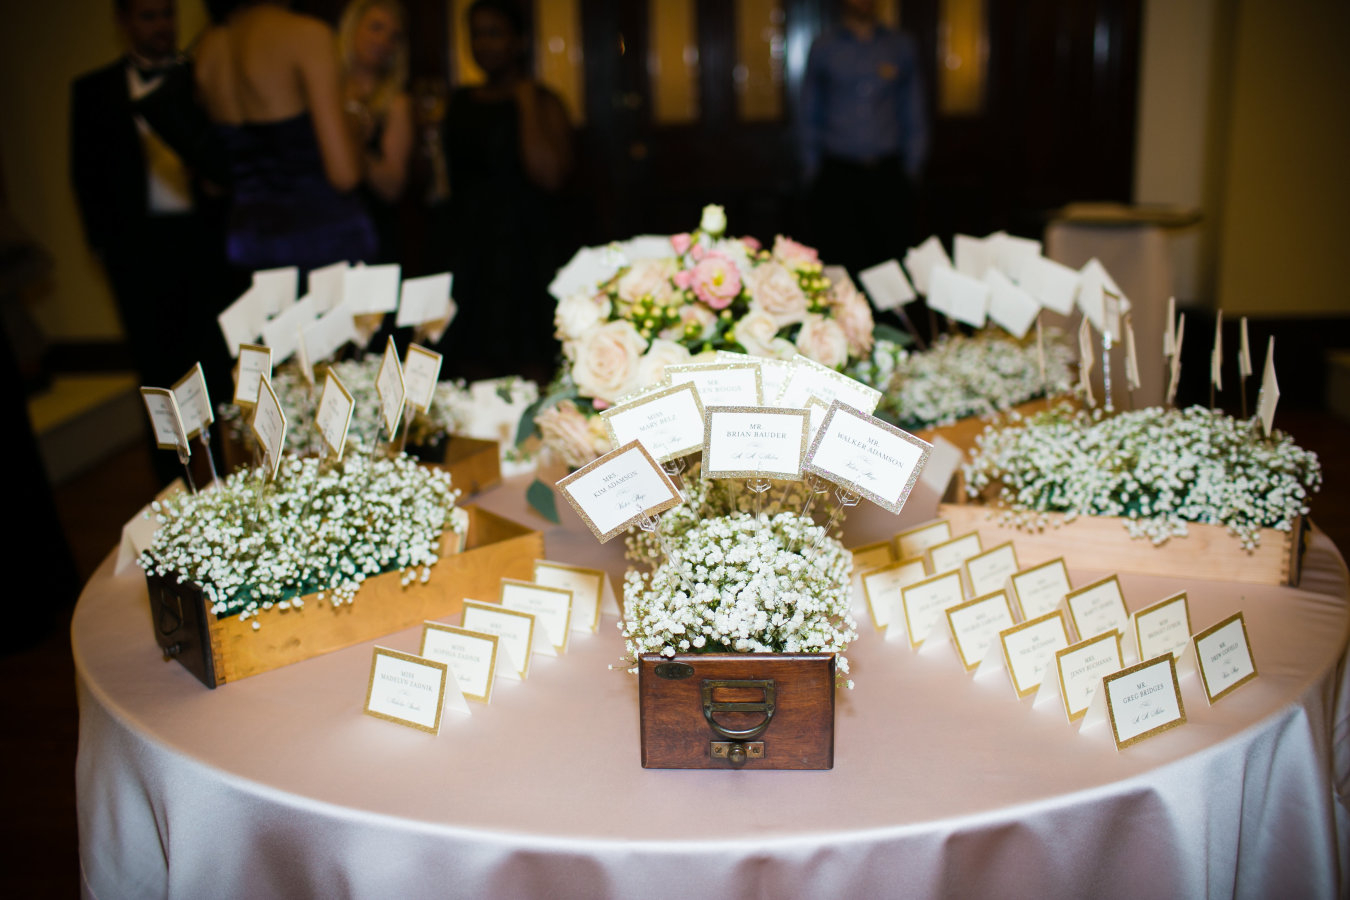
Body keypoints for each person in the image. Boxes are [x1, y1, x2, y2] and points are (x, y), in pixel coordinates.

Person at [71, 0, 230, 484]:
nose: (161, 25)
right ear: (123, 22)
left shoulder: (204, 78)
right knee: (157, 374)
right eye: (147, 15)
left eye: (166, 14)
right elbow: (85, 174)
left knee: (215, 370)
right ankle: (173, 486)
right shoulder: (94, 90)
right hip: (138, 251)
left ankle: (225, 477)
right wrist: (106, 249)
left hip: (204, 245)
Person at [193, 0, 376, 278]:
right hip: (321, 240)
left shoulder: (207, 47)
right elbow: (344, 174)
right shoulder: (306, 35)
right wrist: (356, 127)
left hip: (249, 243)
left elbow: (214, 182)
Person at [439, 0, 572, 382]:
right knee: (470, 359)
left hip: (526, 249)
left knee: (531, 356)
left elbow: (549, 174)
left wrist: (525, 99)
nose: (484, 43)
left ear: (518, 41)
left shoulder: (542, 99)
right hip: (470, 250)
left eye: (494, 33)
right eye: (476, 34)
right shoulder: (458, 101)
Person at [799, 0, 928, 276]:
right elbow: (809, 110)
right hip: (837, 173)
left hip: (887, 172)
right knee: (840, 264)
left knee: (891, 266)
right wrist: (812, 170)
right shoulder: (824, 46)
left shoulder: (900, 45)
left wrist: (912, 167)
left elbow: (913, 109)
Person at [338, 0, 414, 266]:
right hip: (320, 229)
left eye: (394, 36)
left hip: (371, 233)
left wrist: (352, 144)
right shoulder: (324, 91)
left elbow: (393, 187)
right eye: (376, 28)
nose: (383, 41)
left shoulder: (396, 103)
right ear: (352, 29)